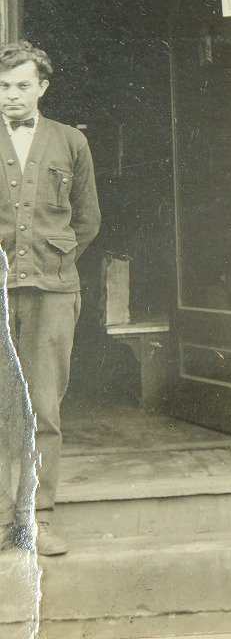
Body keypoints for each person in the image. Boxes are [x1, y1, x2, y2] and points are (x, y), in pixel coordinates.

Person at [0, 41, 100, 556]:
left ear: (42, 87)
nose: (11, 96)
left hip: (54, 292)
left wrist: (53, 260)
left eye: (21, 85)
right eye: (3, 86)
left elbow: (87, 221)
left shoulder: (70, 143)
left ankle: (38, 518)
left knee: (43, 405)